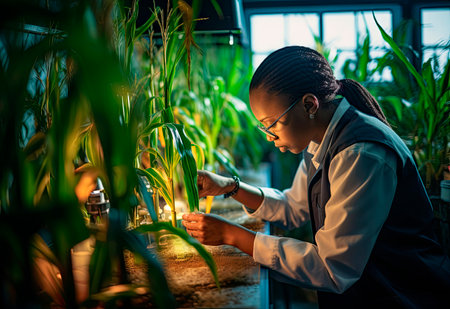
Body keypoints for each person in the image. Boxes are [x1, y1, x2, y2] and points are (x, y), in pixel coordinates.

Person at [182, 46, 450, 308]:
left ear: (309, 104)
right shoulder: (320, 137)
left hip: (401, 293)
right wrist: (230, 186)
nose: (268, 135)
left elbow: (332, 267)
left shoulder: (361, 154)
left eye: (272, 123)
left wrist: (233, 235)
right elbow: (293, 207)